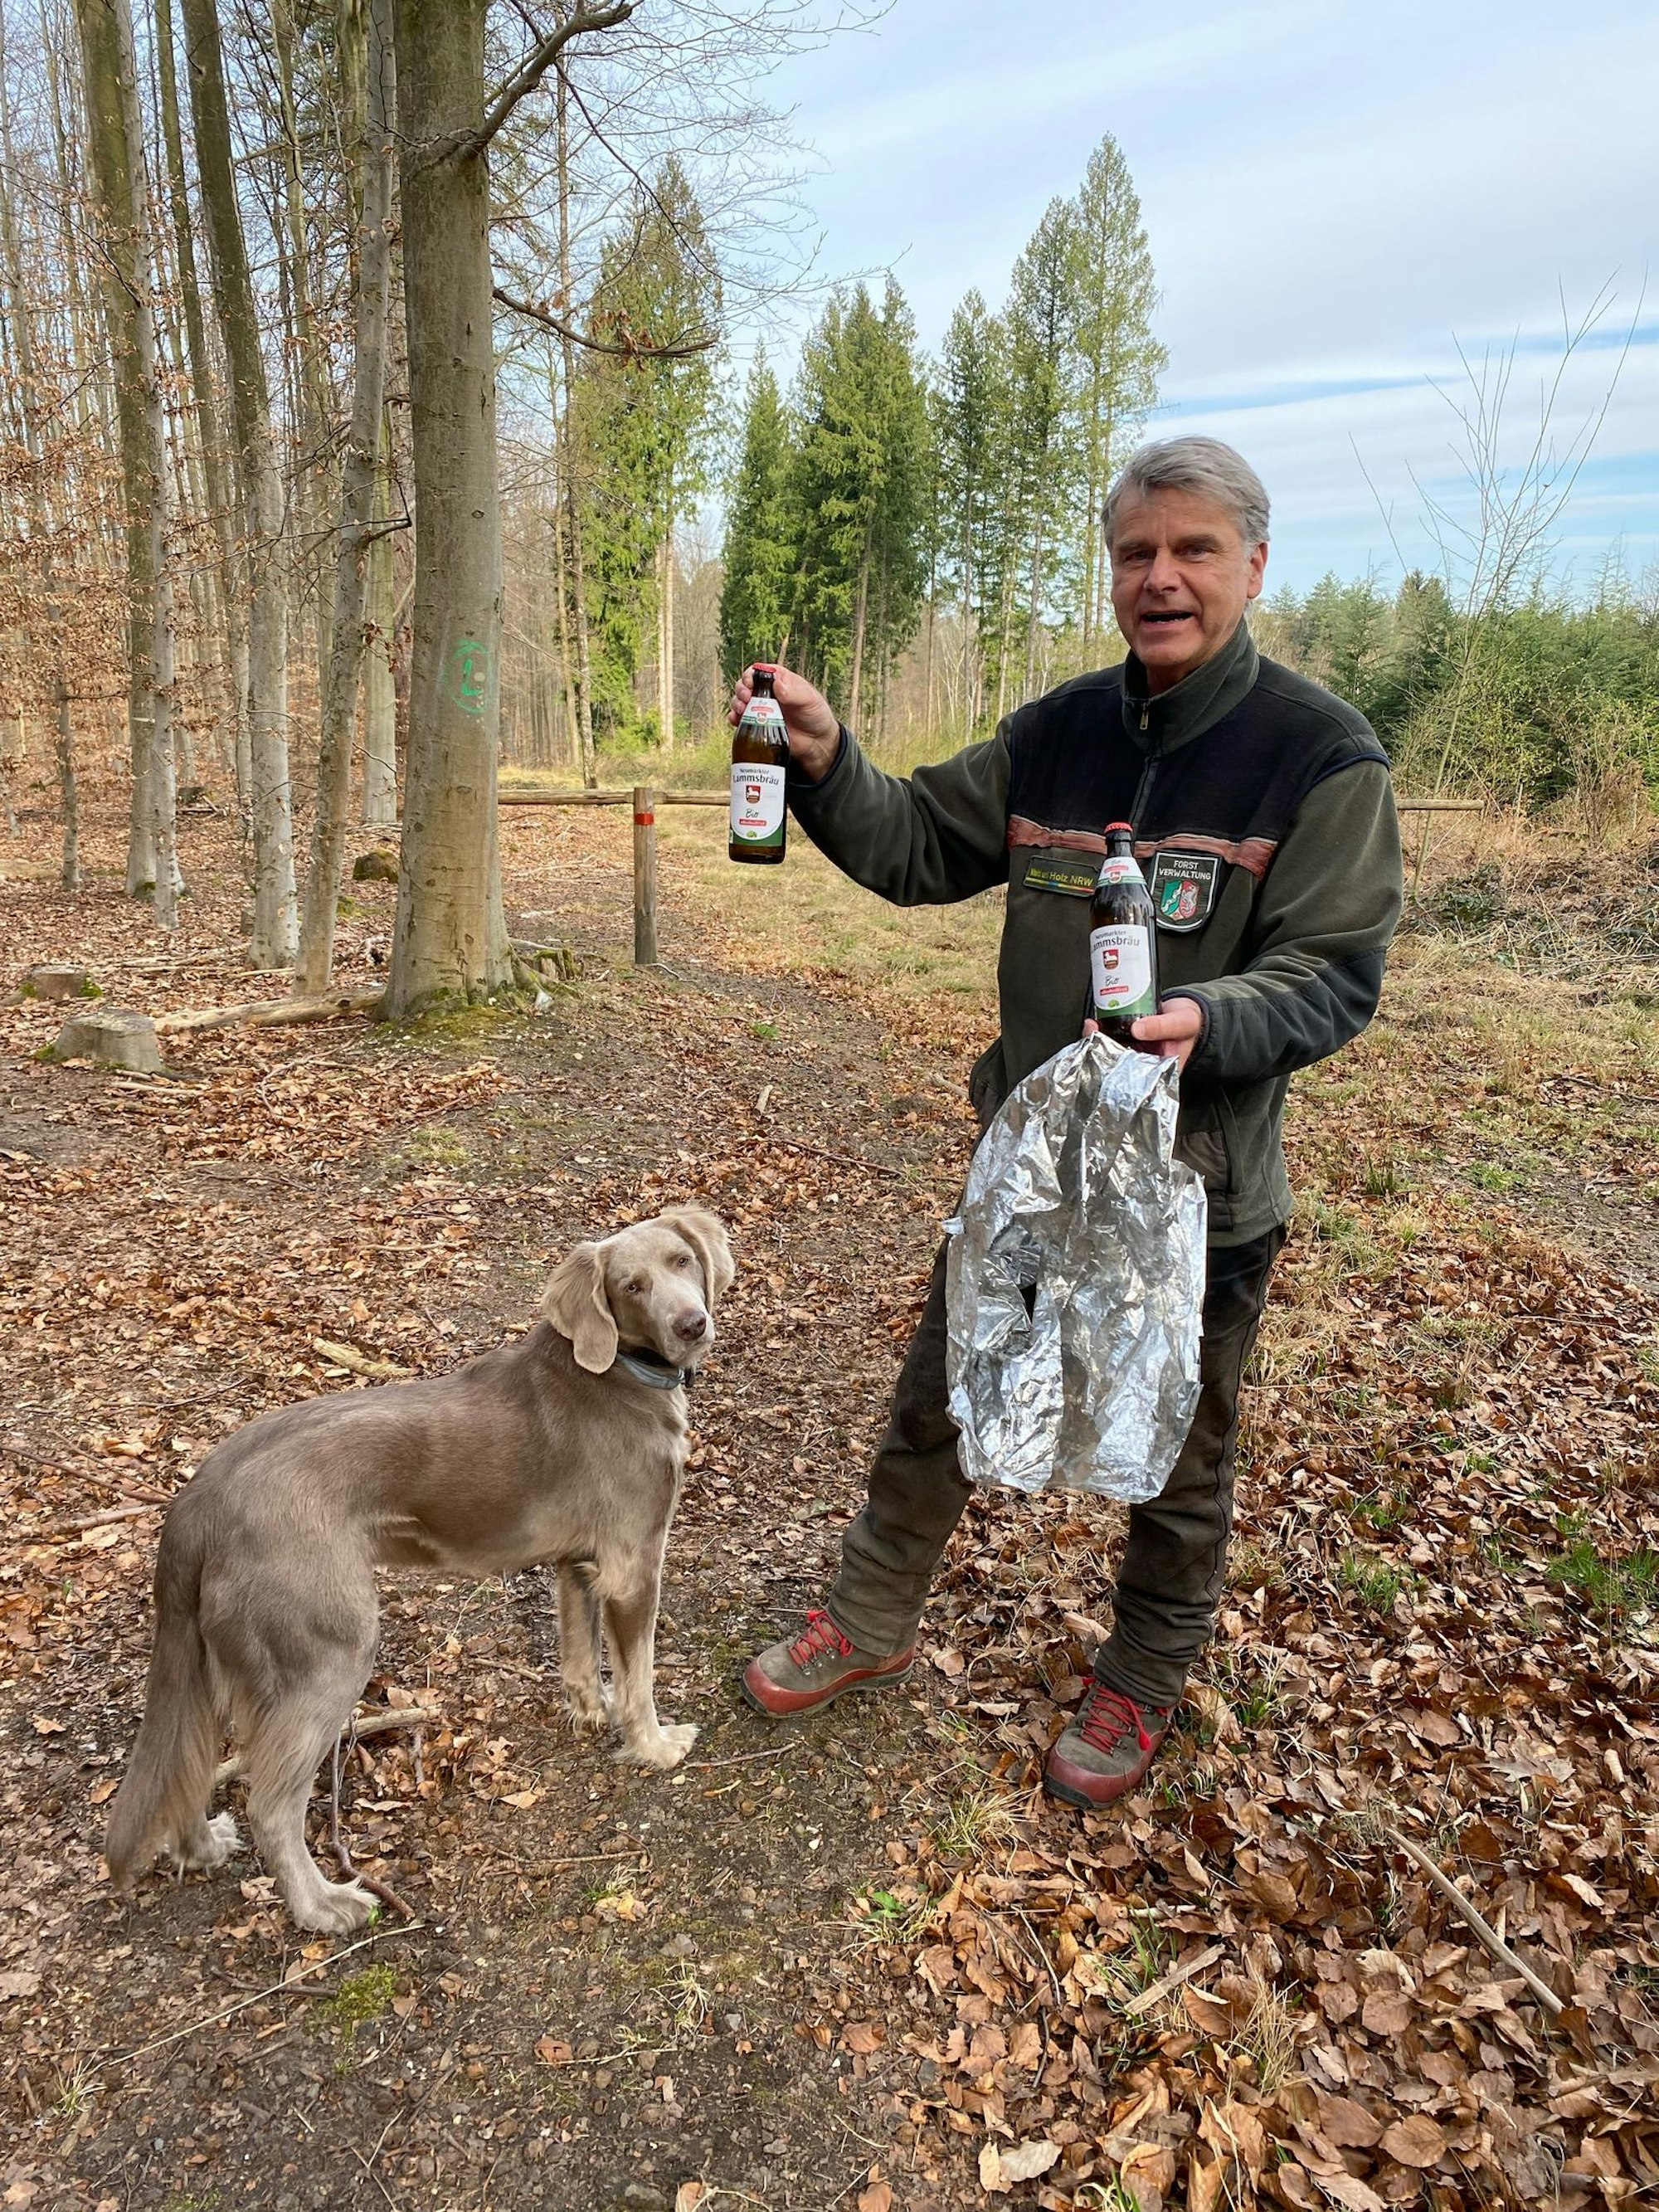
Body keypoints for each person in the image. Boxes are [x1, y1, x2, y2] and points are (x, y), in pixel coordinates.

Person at [734, 436, 1403, 1808]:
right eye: (1135, 554)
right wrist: (826, 757)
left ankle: (1144, 1674)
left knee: (1182, 1442)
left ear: (1254, 566)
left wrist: (1211, 1020)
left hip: (1195, 1183)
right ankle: (867, 1616)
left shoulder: (1318, 758)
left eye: (1193, 550)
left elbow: (1334, 970)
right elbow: (918, 841)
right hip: (1032, 1168)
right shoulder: (1058, 734)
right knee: (942, 1388)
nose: (1160, 578)